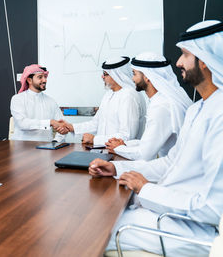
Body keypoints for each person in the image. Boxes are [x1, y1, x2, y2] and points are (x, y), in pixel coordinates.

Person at [90, 20, 223, 256]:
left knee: (94, 229)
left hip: (196, 232)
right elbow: (172, 162)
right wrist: (116, 168)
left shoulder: (220, 116)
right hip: (174, 213)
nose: (179, 62)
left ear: (205, 61)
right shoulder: (199, 109)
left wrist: (146, 189)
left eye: (184, 54)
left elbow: (211, 209)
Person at [105, 52, 192, 160]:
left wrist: (119, 148)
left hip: (169, 170)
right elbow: (149, 142)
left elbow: (145, 154)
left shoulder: (161, 106)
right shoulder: (160, 100)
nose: (132, 79)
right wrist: (125, 145)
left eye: (134, 74)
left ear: (147, 77)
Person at [57, 57, 146, 146]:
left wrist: (95, 140)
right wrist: (71, 127)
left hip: (123, 156)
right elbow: (96, 124)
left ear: (117, 76)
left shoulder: (129, 96)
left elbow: (127, 135)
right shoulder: (108, 95)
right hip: (106, 152)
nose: (102, 77)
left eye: (106, 74)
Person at [10, 64, 65, 142]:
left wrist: (56, 141)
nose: (44, 80)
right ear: (29, 80)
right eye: (40, 77)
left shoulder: (51, 101)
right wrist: (49, 122)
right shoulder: (17, 99)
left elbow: (62, 125)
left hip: (47, 149)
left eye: (45, 77)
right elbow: (22, 123)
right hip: (22, 148)